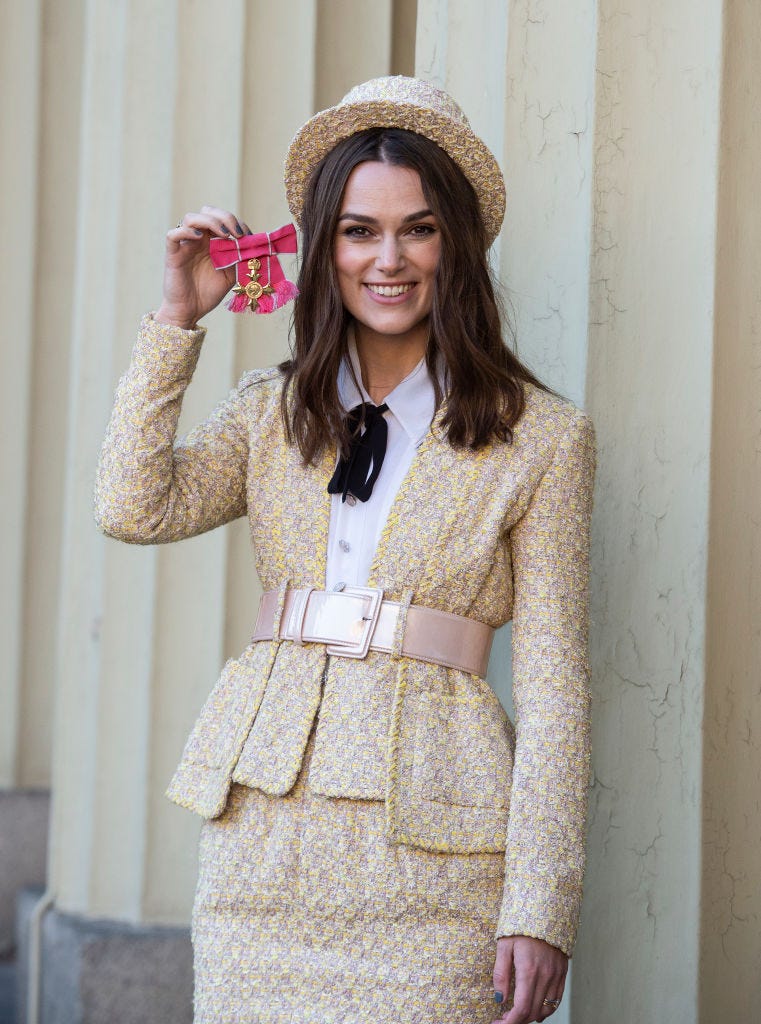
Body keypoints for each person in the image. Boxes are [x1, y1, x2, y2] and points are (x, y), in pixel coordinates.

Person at [95, 76, 595, 1024]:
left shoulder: (543, 440)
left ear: (458, 244)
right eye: (359, 230)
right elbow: (133, 506)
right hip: (262, 852)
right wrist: (175, 322)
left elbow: (558, 685)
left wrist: (541, 904)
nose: (389, 259)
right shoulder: (268, 414)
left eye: (418, 228)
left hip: (438, 860)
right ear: (324, 249)